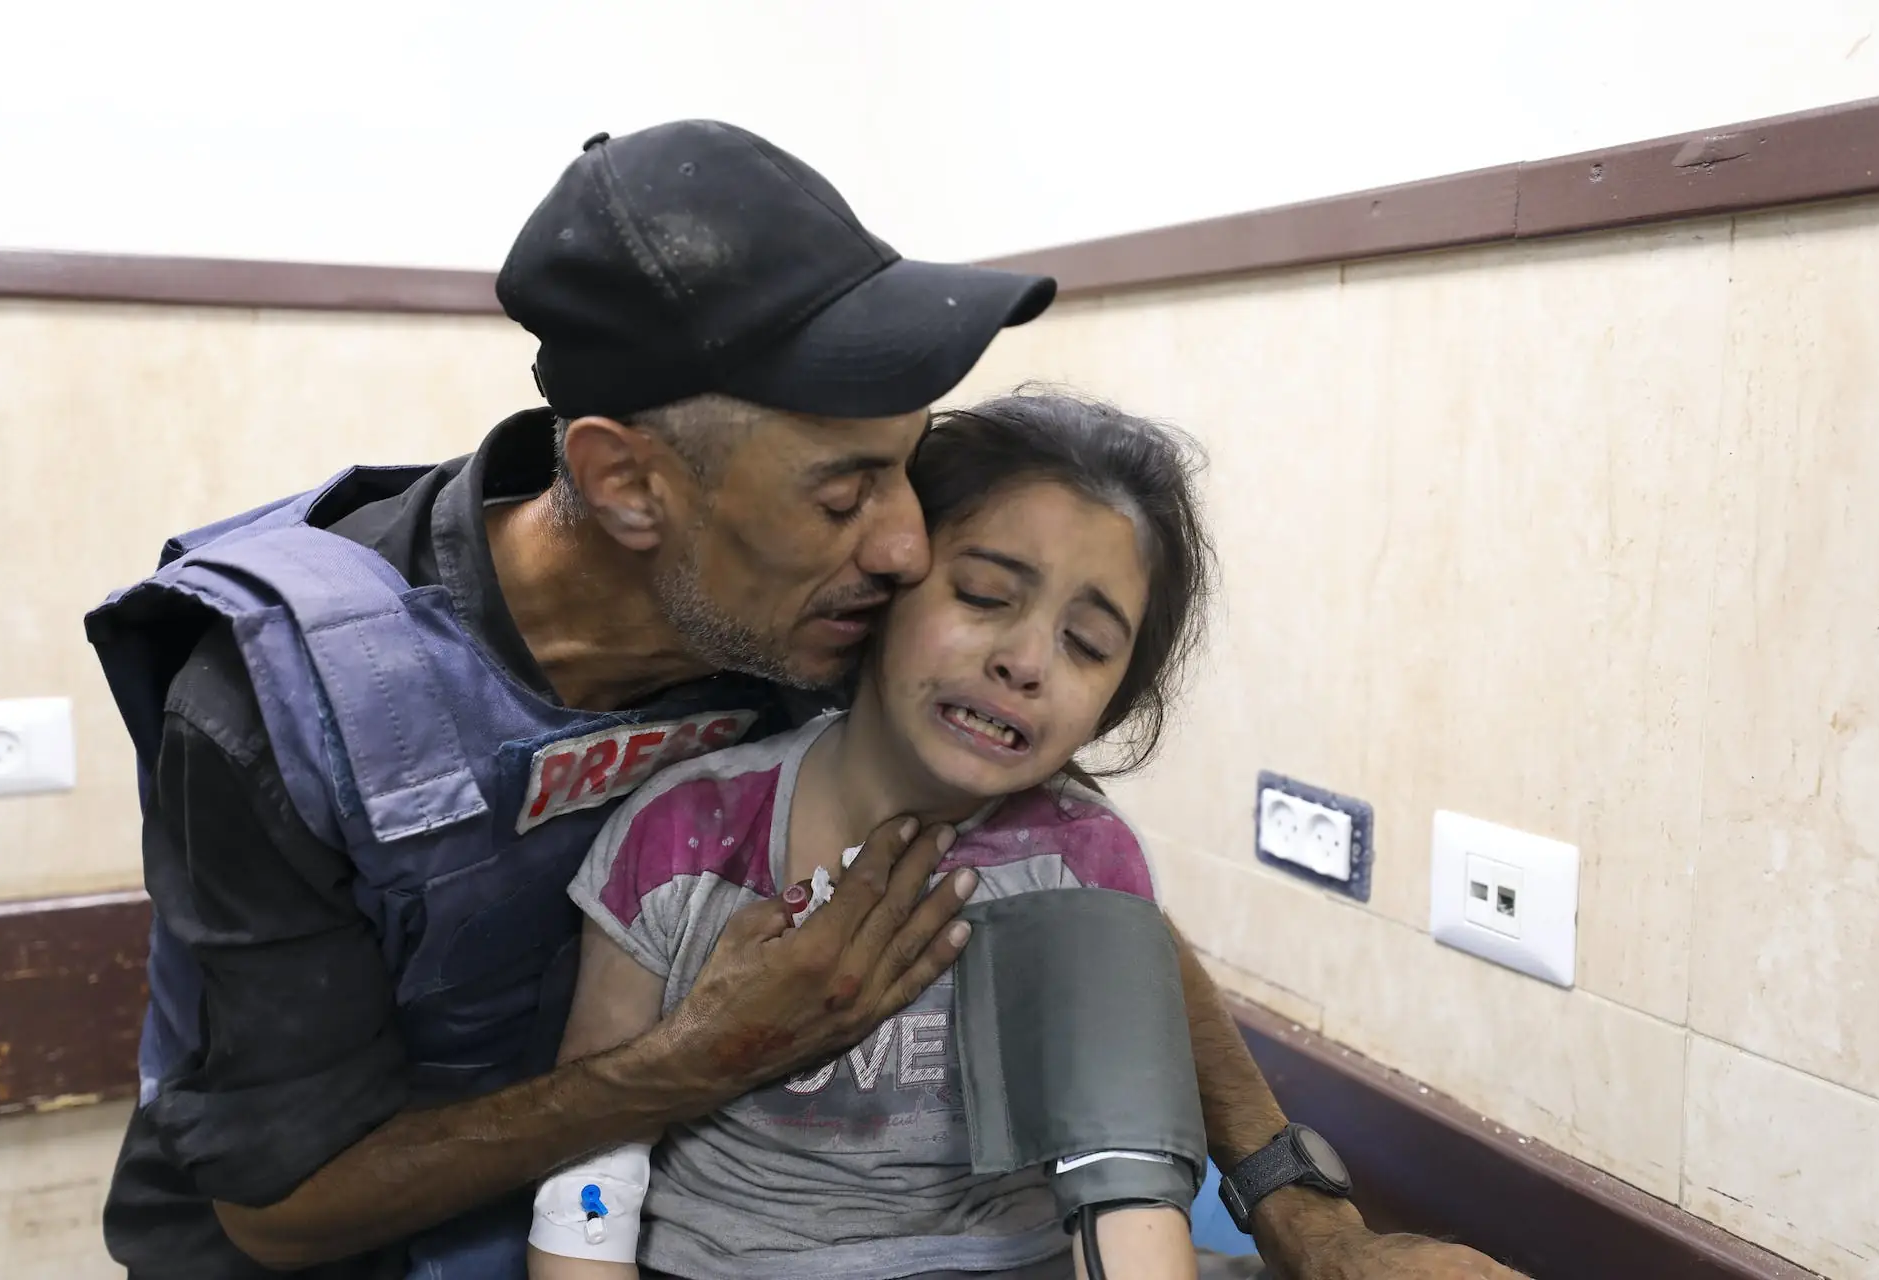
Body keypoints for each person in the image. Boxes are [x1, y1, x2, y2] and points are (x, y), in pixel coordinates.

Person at [86, 119, 1524, 1280]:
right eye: (846, 492)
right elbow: (272, 1211)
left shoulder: (813, 608)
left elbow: (1071, 885)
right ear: (626, 485)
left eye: (903, 472)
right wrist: (697, 1060)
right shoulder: (284, 703)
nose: (905, 547)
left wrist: (1304, 1214)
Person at [526, 390, 1214, 1280]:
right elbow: (592, 1156)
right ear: (885, 587)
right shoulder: (684, 836)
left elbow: (1125, 1194)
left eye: (1085, 644)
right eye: (983, 595)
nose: (1027, 662)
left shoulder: (1079, 863)